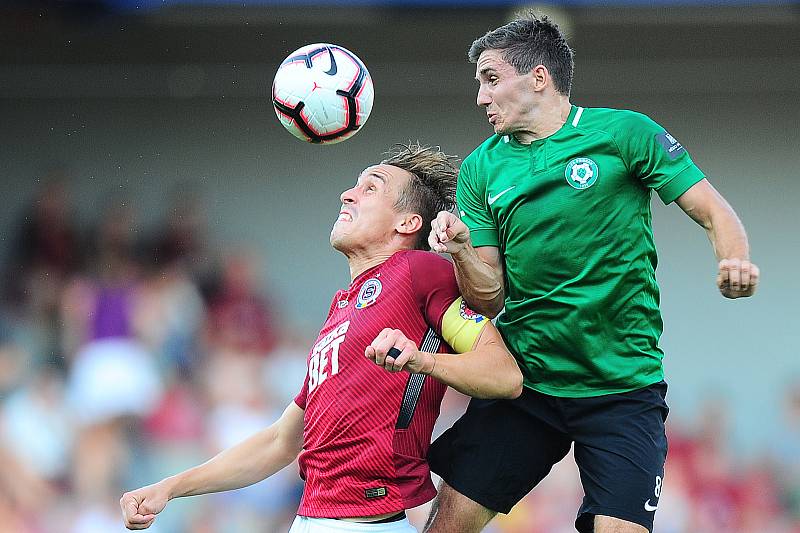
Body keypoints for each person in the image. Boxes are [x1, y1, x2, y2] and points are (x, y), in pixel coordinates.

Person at [424, 13, 760, 533]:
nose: (480, 98)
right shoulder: (481, 169)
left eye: (491, 79)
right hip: (528, 382)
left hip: (622, 387)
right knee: (450, 523)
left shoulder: (624, 133)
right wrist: (464, 251)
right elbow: (488, 299)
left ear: (538, 77)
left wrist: (733, 258)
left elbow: (714, 211)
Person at [119, 143, 523, 533]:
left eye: (371, 188)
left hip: (365, 521)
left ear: (407, 223)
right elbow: (280, 440)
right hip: (311, 518)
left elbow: (504, 375)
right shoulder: (341, 307)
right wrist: (168, 488)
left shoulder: (421, 272)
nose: (347, 194)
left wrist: (422, 360)